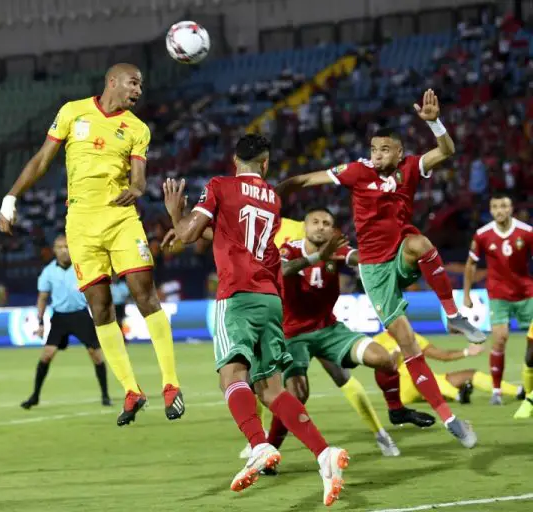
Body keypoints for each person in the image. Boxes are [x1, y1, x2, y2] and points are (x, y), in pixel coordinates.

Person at [277, 89, 478, 448]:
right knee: (407, 344)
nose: (378, 155)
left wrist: (435, 123)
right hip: (374, 270)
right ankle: (450, 420)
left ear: (399, 152)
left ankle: (453, 315)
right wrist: (273, 194)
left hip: (400, 253)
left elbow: (446, 151)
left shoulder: (411, 166)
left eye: (385, 149)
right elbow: (307, 180)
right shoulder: (357, 171)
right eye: (374, 149)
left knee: (420, 243)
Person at [164, 135, 348, 505]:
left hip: (236, 295)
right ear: (265, 164)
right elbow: (236, 232)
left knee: (231, 376)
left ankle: (258, 444)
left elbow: (186, 235)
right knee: (271, 389)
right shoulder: (272, 199)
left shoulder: (220, 186)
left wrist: (175, 212)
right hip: (270, 299)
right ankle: (324, 453)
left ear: (235, 161)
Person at [0, 63, 183, 426]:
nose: (138, 90)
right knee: (99, 307)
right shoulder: (72, 112)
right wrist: (10, 197)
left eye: (141, 85)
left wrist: (138, 189)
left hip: (121, 219)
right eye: (133, 82)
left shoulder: (138, 129)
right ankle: (131, 390)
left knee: (144, 293)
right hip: (81, 225)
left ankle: (171, 384)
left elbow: (139, 178)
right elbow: (42, 160)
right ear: (112, 81)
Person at [266, 206, 435, 460]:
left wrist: (397, 258)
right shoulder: (290, 249)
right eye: (315, 222)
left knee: (384, 359)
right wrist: (318, 257)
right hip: (293, 335)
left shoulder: (337, 250)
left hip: (329, 330)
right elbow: (283, 270)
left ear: (333, 230)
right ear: (305, 226)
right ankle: (269, 450)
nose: (321, 226)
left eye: (326, 223)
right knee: (297, 395)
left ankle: (396, 409)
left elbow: (360, 257)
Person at [21, 235, 110, 409]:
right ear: (54, 250)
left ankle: (105, 395)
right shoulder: (48, 272)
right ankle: (35, 396)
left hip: (80, 315)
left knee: (96, 355)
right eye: (60, 247)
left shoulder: (81, 267)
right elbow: (42, 298)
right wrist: (40, 322)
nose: (64, 251)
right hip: (60, 318)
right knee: (47, 355)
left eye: (67, 247)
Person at [463, 192, 533, 404]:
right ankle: (496, 391)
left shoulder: (526, 232)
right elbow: (471, 264)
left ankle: (529, 387)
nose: (499, 211)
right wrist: (466, 294)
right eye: (495, 207)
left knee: (532, 345)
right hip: (498, 294)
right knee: (500, 338)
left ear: (511, 208)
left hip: (527, 293)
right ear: (490, 210)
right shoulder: (482, 235)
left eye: (503, 206)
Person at [373, 332, 523, 405]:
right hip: (401, 390)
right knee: (420, 373)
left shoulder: (413, 337)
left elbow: (442, 355)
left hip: (424, 384)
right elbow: (383, 367)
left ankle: (518, 391)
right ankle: (458, 395)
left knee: (470, 374)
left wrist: (467, 352)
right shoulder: (378, 340)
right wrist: (397, 351)